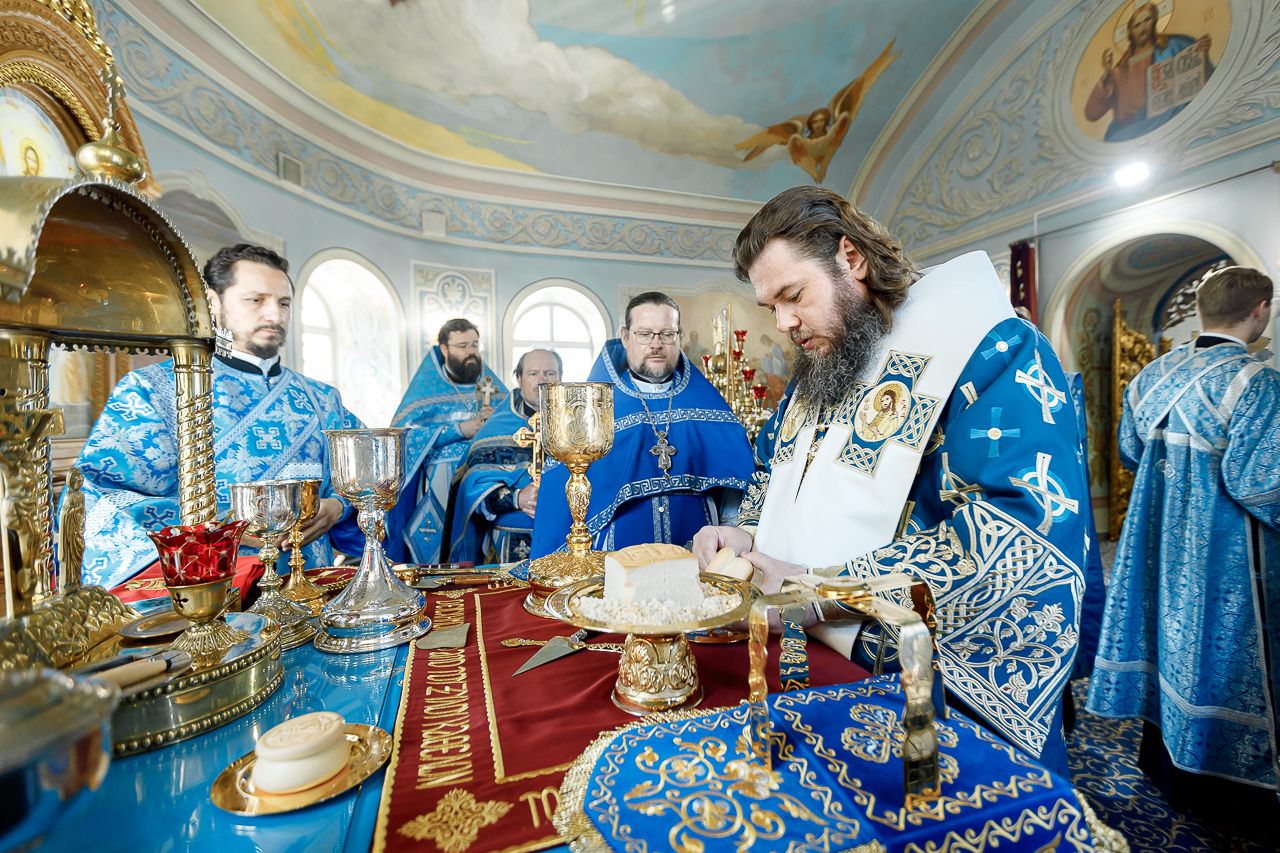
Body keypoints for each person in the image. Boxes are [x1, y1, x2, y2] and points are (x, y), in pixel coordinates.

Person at [692, 186, 1089, 776]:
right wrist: (742, 532)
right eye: (770, 307)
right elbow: (775, 471)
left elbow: (1020, 539)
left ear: (851, 258)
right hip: (800, 660)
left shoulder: (988, 352)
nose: (783, 323)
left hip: (915, 683)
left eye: (793, 295)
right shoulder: (825, 363)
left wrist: (818, 592)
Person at [1088, 267, 1278, 812]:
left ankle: (1163, 755)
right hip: (1227, 556)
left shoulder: (1154, 373)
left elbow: (1129, 453)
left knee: (1166, 637)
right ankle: (1228, 785)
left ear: (1200, 310)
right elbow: (1261, 483)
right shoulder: (1255, 381)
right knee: (1223, 646)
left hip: (1155, 540)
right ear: (1261, 309)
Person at [74, 243, 362, 591]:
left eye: (284, 303)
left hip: (312, 592)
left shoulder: (322, 398)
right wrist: (222, 526)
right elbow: (101, 497)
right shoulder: (153, 391)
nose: (274, 315)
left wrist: (337, 507)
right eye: (255, 300)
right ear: (212, 301)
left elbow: (367, 479)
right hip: (209, 596)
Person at [530, 292, 755, 558]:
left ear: (679, 337)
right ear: (625, 337)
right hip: (617, 555)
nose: (656, 344)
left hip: (697, 552)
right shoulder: (596, 406)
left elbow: (735, 487)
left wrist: (732, 541)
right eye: (645, 334)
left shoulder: (707, 403)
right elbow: (562, 493)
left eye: (667, 334)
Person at [391, 318, 507, 563]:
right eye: (462, 346)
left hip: (483, 479)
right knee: (440, 551)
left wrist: (494, 422)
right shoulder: (426, 389)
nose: (471, 352)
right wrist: (459, 430)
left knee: (478, 549)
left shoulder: (490, 386)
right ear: (444, 349)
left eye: (474, 345)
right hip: (439, 480)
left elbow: (512, 428)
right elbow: (404, 437)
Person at [446, 348, 561, 564]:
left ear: (560, 378)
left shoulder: (576, 426)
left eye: (550, 373)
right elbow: (472, 489)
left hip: (565, 534)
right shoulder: (498, 427)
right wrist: (517, 498)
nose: (542, 380)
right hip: (511, 538)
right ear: (519, 379)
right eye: (533, 373)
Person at [1083, 2, 1212, 142]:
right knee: (1115, 140)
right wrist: (1106, 75)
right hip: (1130, 131)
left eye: (1147, 20)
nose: (1143, 28)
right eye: (1137, 25)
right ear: (1130, 32)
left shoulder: (1173, 45)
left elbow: (1205, 78)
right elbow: (1092, 113)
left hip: (1170, 116)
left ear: (1154, 21)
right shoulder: (1119, 71)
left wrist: (1201, 53)